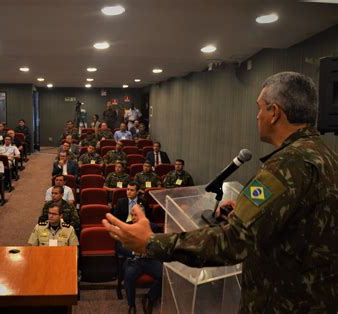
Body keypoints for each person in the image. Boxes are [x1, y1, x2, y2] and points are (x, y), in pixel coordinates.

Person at [102, 72, 338, 313]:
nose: (257, 116)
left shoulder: (285, 165)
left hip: (284, 302)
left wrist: (151, 242)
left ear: (275, 112)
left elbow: (232, 242)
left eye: (260, 108)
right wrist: (245, 216)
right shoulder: (325, 155)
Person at [116, 204, 162, 314]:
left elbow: (160, 245)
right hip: (134, 260)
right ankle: (131, 305)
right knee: (128, 276)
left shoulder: (154, 227)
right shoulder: (126, 227)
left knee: (164, 275)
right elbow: (118, 246)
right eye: (131, 215)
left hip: (150, 259)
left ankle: (149, 297)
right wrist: (132, 252)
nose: (133, 218)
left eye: (135, 215)